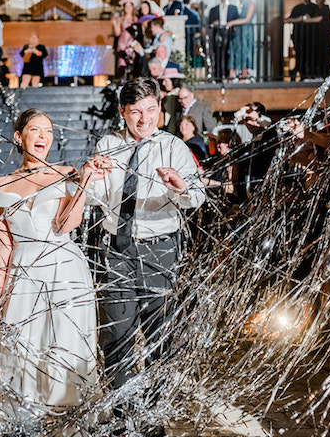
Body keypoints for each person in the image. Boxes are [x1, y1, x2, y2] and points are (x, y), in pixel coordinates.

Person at [0, 109, 108, 434]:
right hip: (23, 272)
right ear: (19, 137)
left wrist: (82, 182)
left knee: (64, 344)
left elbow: (65, 224)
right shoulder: (2, 184)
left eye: (48, 130)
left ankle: (66, 420)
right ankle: (20, 416)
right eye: (35, 129)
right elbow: (3, 245)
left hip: (64, 270)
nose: (43, 136)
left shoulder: (67, 173)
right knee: (19, 344)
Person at [87, 77, 205, 435]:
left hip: (160, 250)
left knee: (158, 338)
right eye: (136, 111)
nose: (144, 118)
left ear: (160, 110)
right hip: (116, 251)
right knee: (116, 336)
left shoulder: (173, 147)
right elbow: (93, 197)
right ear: (123, 112)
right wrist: (90, 177)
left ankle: (153, 417)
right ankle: (125, 418)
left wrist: (182, 187)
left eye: (151, 110)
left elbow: (197, 196)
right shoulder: (108, 144)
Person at [285, 0, 321, 81]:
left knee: (311, 56)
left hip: (312, 38)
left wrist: (309, 20)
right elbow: (288, 19)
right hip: (298, 37)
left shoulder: (315, 7)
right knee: (300, 56)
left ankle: (311, 75)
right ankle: (302, 76)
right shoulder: (297, 8)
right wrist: (299, 19)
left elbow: (320, 18)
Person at [208, 0, 239, 81]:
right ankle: (218, 76)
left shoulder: (233, 8)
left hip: (229, 34)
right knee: (217, 54)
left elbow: (237, 22)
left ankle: (227, 74)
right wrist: (214, 24)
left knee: (228, 54)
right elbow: (209, 23)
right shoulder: (213, 9)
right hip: (217, 33)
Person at [226, 0, 256, 83]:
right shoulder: (241, 5)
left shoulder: (251, 4)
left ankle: (244, 75)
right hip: (239, 31)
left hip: (246, 32)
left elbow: (247, 19)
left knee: (245, 51)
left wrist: (233, 22)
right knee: (236, 50)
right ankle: (232, 75)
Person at [112, 0, 139, 81]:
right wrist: (114, 23)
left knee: (132, 63)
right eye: (126, 6)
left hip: (132, 43)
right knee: (123, 63)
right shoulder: (121, 19)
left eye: (129, 6)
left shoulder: (135, 19)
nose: (128, 8)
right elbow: (117, 33)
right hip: (123, 43)